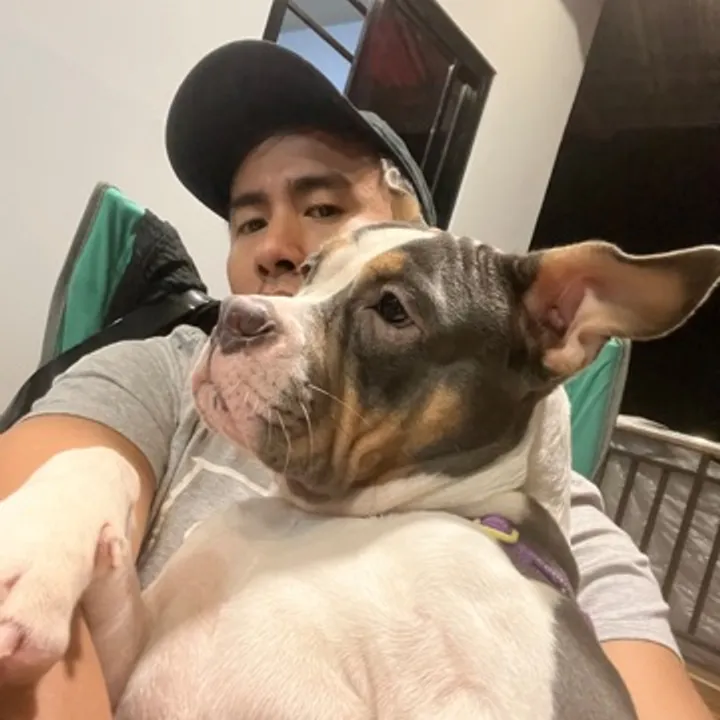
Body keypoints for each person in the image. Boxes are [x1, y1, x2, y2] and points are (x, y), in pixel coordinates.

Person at [0, 40, 712, 720]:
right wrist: (80, 490)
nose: (275, 252)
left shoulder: (531, 554)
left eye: (323, 210)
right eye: (249, 221)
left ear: (416, 230)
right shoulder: (162, 376)